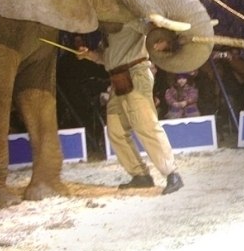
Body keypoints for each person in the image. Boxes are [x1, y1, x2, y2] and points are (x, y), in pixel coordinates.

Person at [77, 19, 184, 194]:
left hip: (136, 74)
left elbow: (161, 34)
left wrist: (164, 42)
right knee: (116, 131)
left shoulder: (132, 18)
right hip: (117, 79)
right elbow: (108, 58)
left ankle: (172, 174)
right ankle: (140, 175)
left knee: (146, 125)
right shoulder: (107, 30)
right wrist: (89, 55)